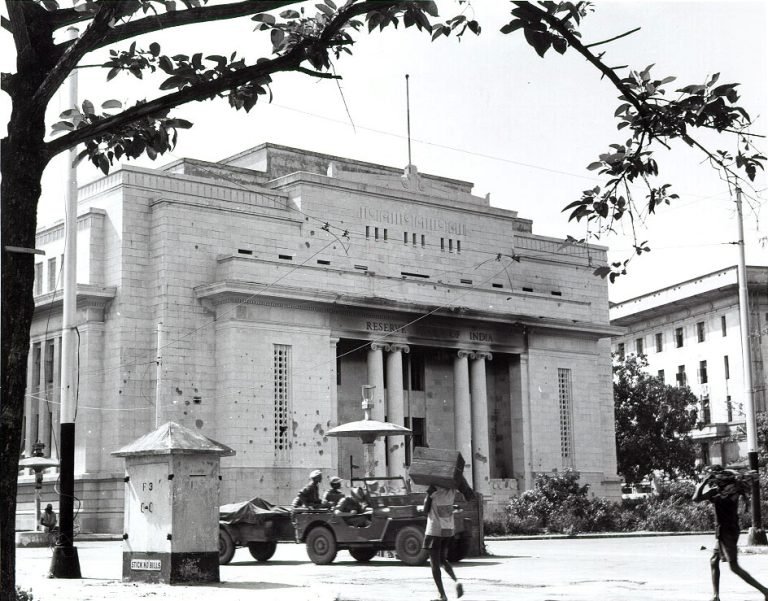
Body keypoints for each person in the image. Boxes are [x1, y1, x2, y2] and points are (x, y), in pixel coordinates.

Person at [693, 465, 768, 601]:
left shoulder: (733, 492)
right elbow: (695, 499)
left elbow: (699, 498)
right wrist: (703, 483)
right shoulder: (716, 492)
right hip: (721, 531)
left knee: (734, 567)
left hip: (729, 531)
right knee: (714, 560)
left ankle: (765, 591)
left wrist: (705, 483)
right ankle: (716, 596)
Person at [423, 482, 469, 601]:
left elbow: (425, 509)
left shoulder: (433, 489)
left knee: (435, 564)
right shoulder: (452, 489)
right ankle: (456, 581)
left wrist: (428, 496)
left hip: (435, 530)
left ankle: (442, 595)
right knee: (443, 559)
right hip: (448, 529)